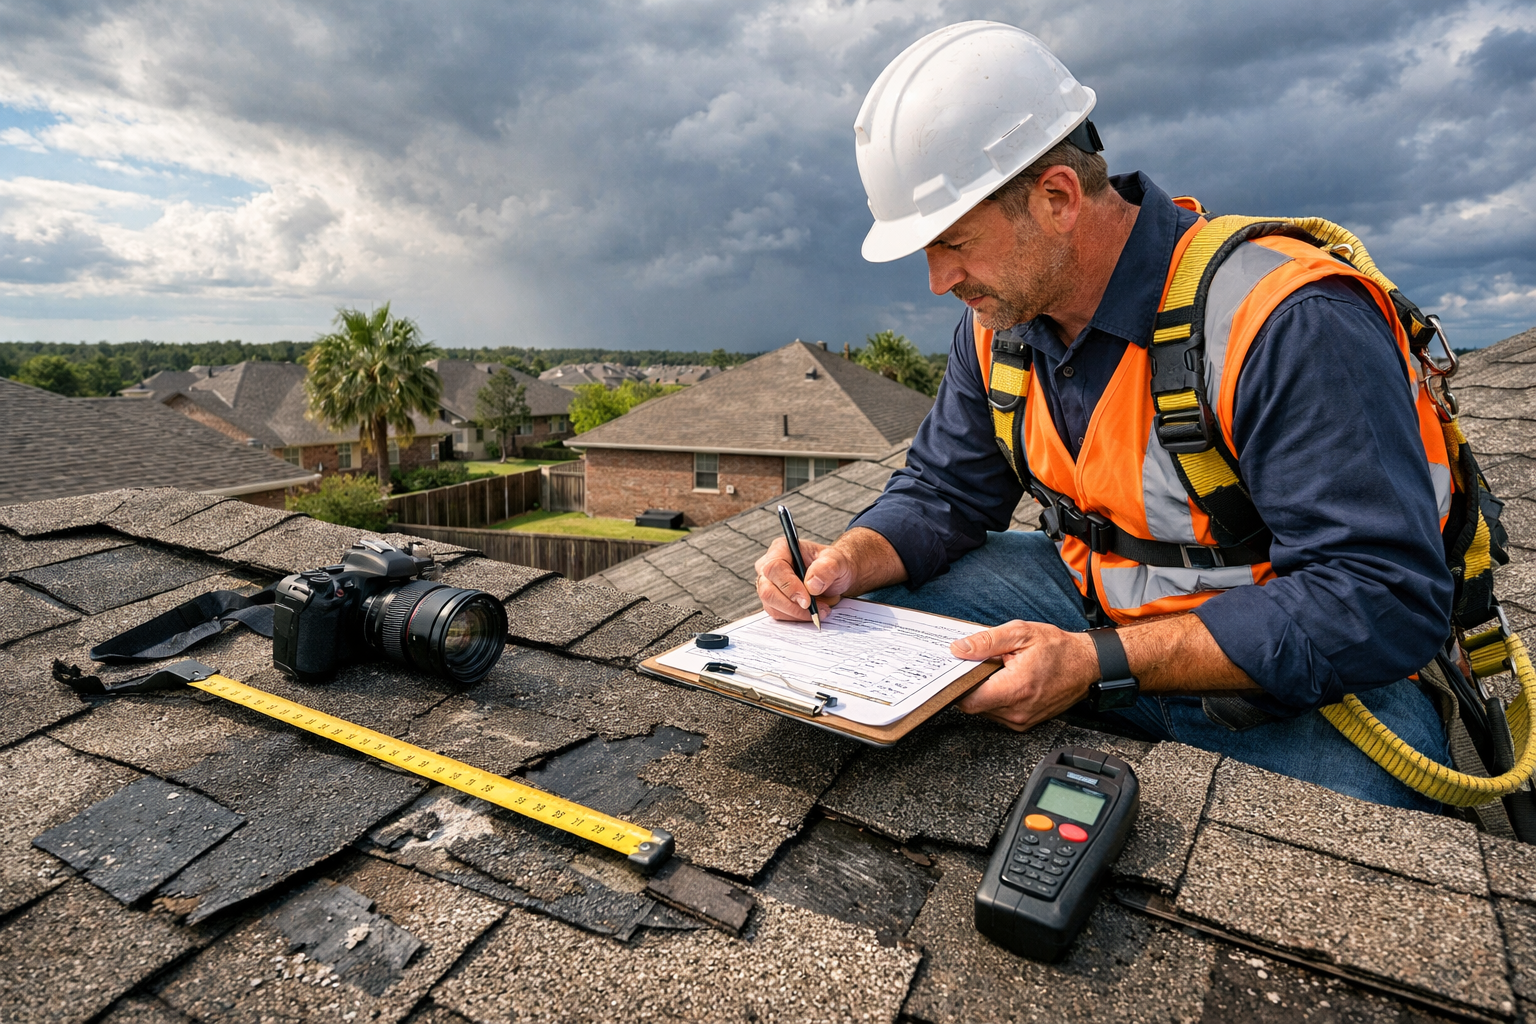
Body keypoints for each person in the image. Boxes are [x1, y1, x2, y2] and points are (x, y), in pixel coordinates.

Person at [753, 22, 1454, 812]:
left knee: (1366, 830)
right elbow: (945, 493)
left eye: (954, 243)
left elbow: (1378, 597)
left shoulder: (1286, 319)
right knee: (852, 631)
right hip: (1087, 610)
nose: (938, 279)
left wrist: (1099, 663)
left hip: (1283, 670)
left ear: (1056, 197)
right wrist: (847, 559)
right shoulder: (1000, 326)